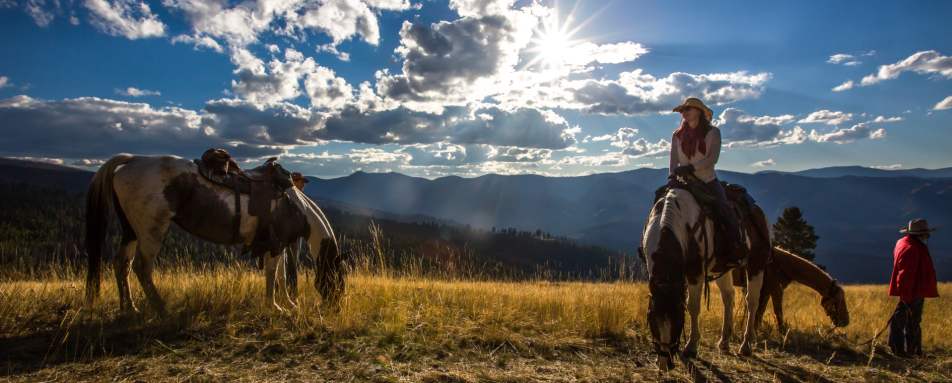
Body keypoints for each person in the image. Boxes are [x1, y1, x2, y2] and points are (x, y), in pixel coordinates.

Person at [668, 97, 745, 270]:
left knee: (724, 210)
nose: (684, 113)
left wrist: (690, 168)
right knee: (662, 206)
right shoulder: (677, 135)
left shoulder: (713, 133)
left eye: (688, 109)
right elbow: (673, 160)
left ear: (699, 112)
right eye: (683, 111)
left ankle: (734, 249)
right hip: (683, 183)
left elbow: (712, 159)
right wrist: (672, 176)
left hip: (707, 181)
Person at [888, 218, 939, 357]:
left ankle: (904, 349)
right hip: (913, 291)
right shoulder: (912, 249)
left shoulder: (903, 243)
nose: (928, 236)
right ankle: (908, 351)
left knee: (903, 321)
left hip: (911, 290)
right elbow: (905, 276)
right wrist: (906, 296)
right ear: (920, 235)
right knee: (912, 322)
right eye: (926, 234)